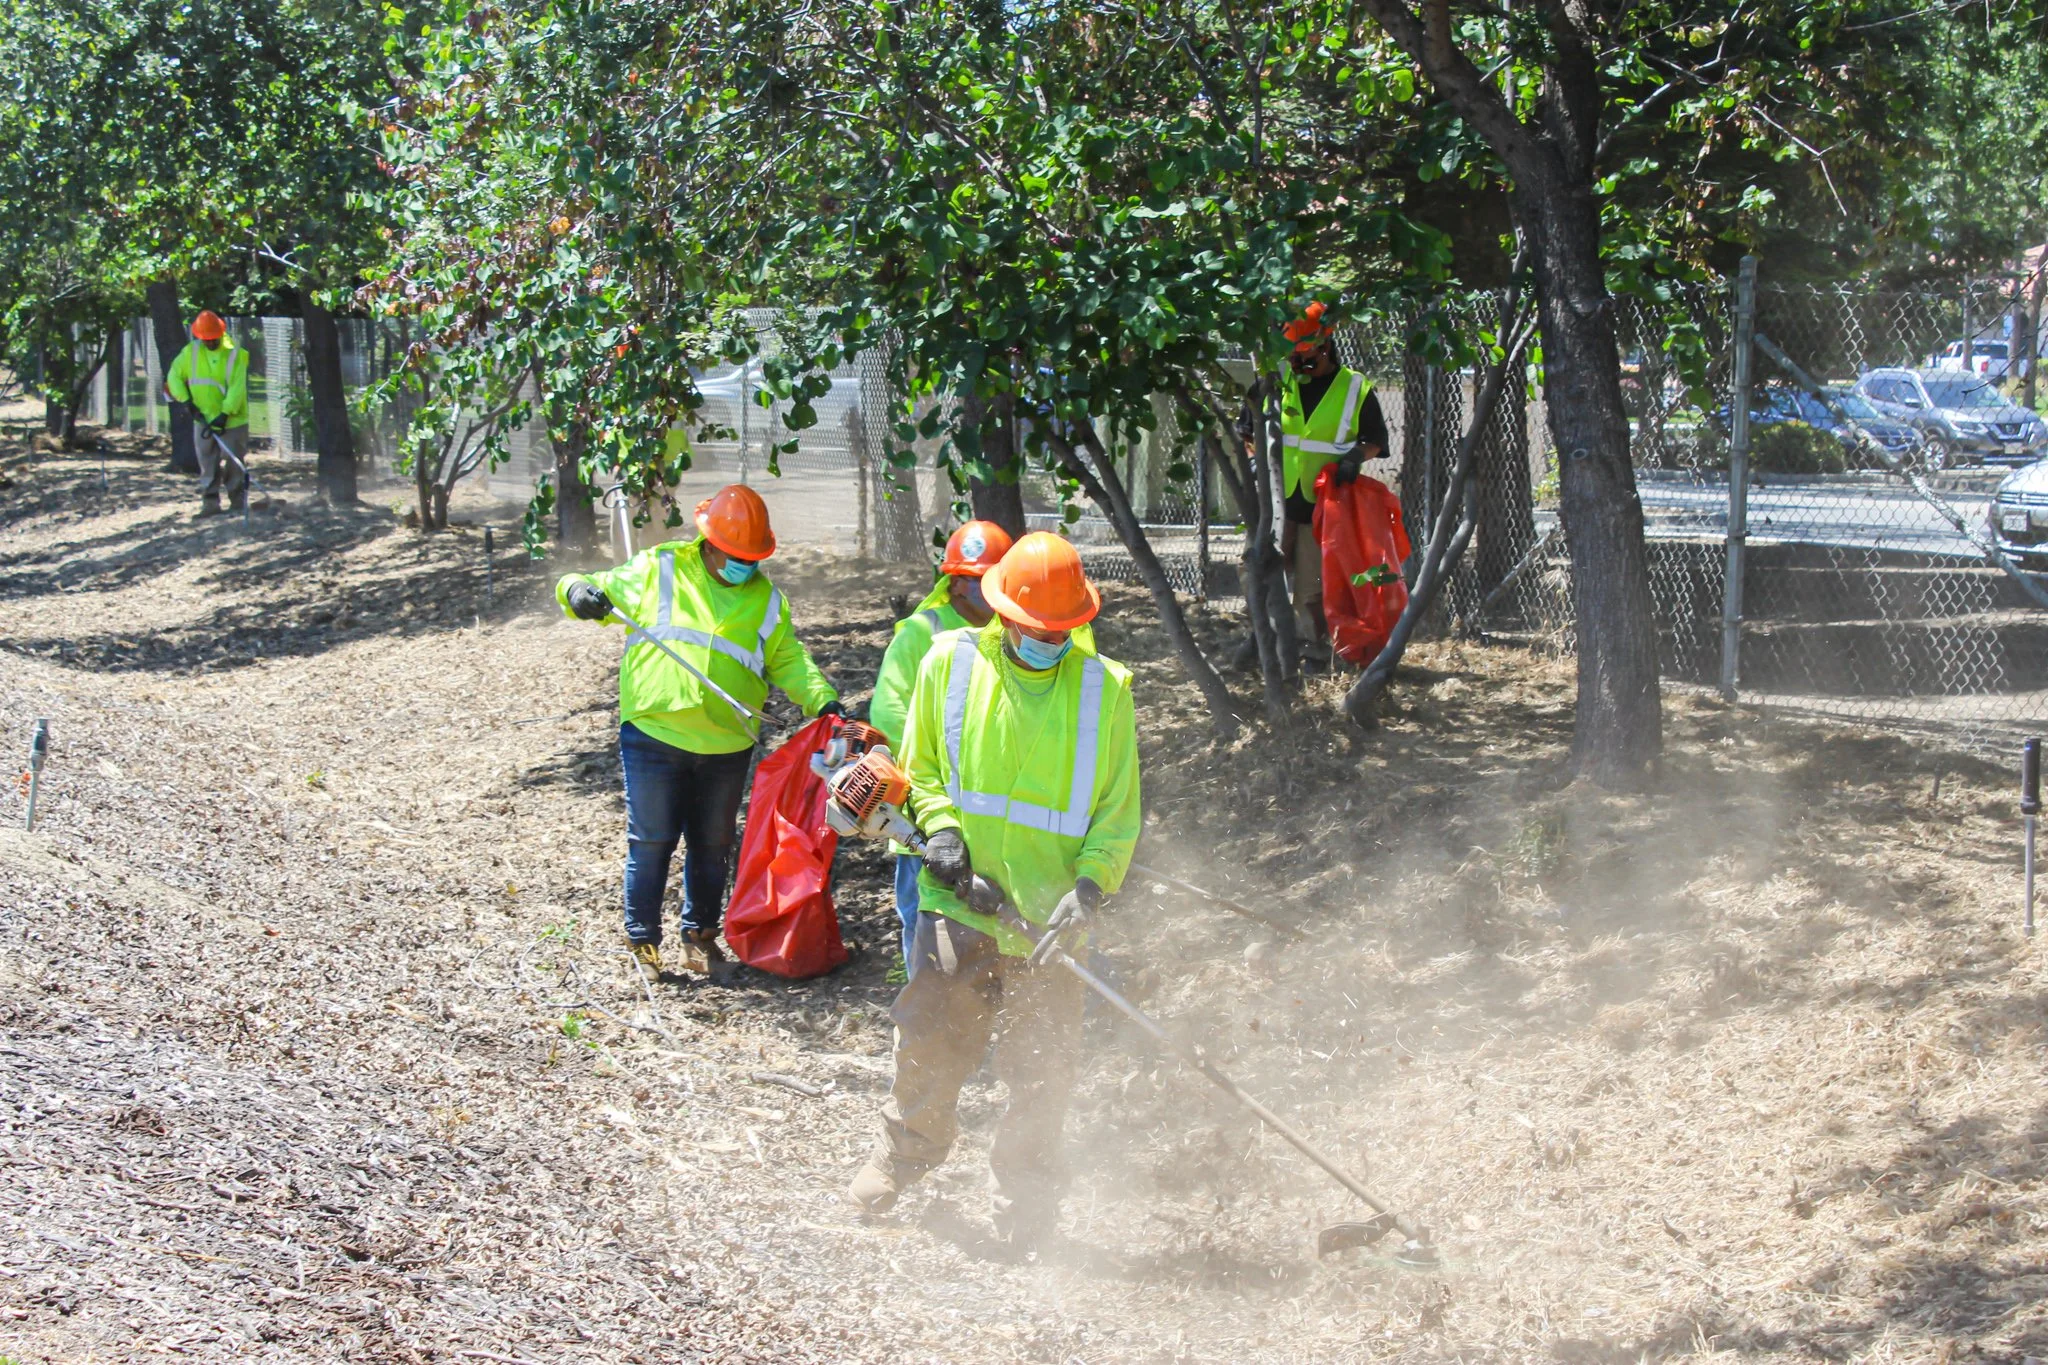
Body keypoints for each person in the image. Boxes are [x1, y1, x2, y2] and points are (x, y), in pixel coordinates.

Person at [846, 532, 1141, 1250]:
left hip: (1051, 921)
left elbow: (1117, 812)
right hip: (958, 902)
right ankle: (903, 1153)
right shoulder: (948, 665)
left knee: (1044, 1071)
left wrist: (1092, 885)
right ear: (1004, 614)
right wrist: (942, 836)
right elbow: (923, 771)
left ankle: (1030, 1196)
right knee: (933, 1040)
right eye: (1036, 628)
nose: (1048, 639)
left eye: (1061, 631)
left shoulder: (1107, 691)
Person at [556, 484, 842, 981]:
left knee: (712, 845)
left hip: (727, 743)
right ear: (708, 544)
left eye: (752, 558)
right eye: (734, 556)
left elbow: (789, 659)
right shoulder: (659, 568)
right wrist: (578, 593)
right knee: (651, 841)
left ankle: (700, 941)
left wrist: (822, 699)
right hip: (655, 733)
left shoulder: (767, 601)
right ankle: (643, 947)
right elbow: (584, 582)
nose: (744, 566)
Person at [867, 519, 1014, 969]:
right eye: (973, 580)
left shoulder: (1011, 635)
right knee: (922, 912)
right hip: (925, 799)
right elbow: (888, 714)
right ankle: (921, 1001)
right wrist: (940, 768)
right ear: (954, 582)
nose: (981, 591)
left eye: (990, 580)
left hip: (986, 804)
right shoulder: (921, 632)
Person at [1239, 301, 1388, 666]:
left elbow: (1375, 439)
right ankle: (1261, 642)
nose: (1297, 362)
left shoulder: (1355, 388)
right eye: (1292, 355)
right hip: (1274, 504)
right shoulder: (1271, 386)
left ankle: (1313, 651)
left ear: (1325, 346)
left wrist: (1354, 457)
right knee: (1259, 578)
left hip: (1321, 508)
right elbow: (1246, 433)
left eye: (1305, 353)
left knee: (1311, 588)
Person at [164, 310, 251, 516]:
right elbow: (174, 377)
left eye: (213, 339)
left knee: (233, 461)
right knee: (207, 462)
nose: (210, 343)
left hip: (232, 420)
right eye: (206, 340)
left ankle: (238, 502)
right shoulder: (190, 353)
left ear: (221, 333)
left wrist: (224, 414)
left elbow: (237, 388)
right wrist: (187, 402)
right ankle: (210, 504)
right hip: (202, 418)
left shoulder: (235, 354)